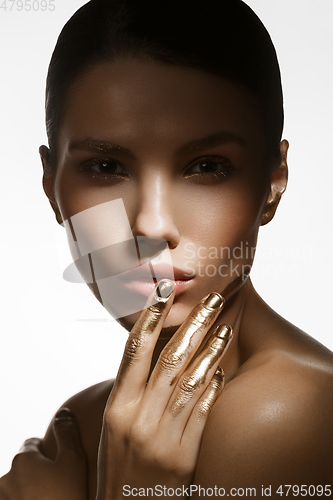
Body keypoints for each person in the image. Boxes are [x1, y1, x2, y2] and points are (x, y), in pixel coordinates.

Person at [1, 0, 333, 498]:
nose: (150, 224)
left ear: (272, 183)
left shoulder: (287, 413)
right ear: (52, 186)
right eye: (106, 167)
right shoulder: (85, 420)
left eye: (205, 166)